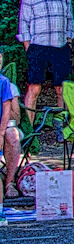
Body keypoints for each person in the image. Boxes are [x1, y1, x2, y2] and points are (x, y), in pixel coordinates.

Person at [17, 0, 74, 116]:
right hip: (39, 47)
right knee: (34, 88)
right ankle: (30, 129)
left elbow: (69, 19)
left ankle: (62, 125)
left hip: (60, 47)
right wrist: (29, 47)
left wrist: (69, 41)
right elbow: (24, 24)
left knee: (62, 88)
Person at [1, 69, 21, 199]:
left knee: (12, 135)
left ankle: (10, 183)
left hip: (6, 126)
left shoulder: (6, 84)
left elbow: (16, 118)